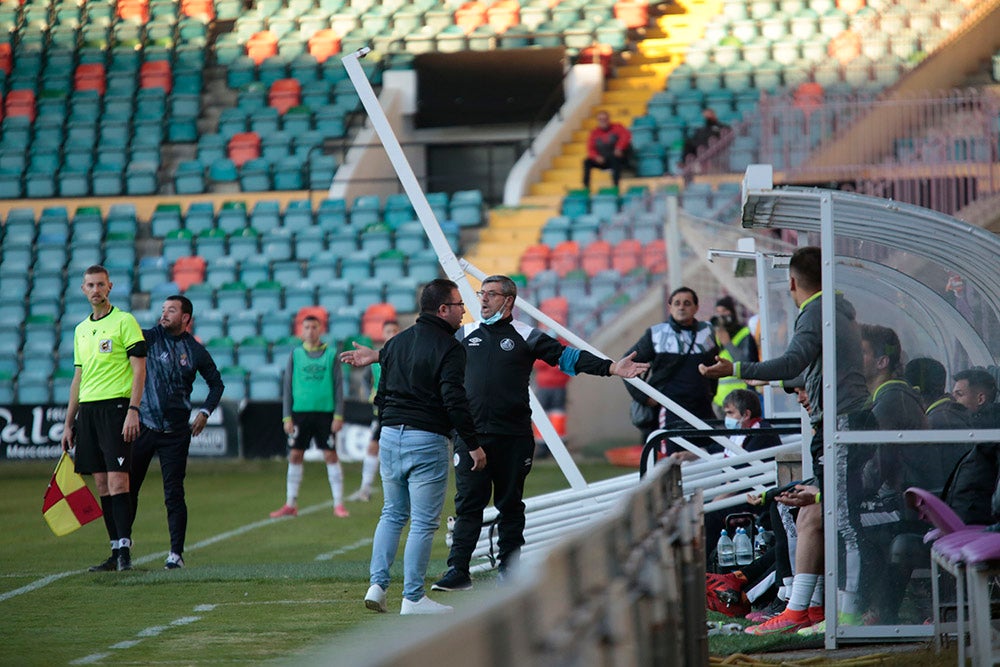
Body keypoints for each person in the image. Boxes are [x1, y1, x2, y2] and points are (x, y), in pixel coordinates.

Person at [344, 275, 648, 592]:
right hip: (471, 437)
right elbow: (422, 348)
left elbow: (567, 357)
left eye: (491, 294)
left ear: (509, 300)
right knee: (468, 505)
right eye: (480, 293)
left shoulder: (527, 335)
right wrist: (377, 355)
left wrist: (612, 367)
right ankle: (458, 572)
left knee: (510, 505)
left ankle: (509, 570)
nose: (483, 299)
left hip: (514, 435)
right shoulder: (464, 333)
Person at [700, 246, 870, 634]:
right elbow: (807, 371)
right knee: (813, 512)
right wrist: (773, 378)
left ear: (792, 282)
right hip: (838, 426)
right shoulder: (838, 311)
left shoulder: (815, 312)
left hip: (841, 425)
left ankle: (851, 612)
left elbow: (794, 360)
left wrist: (737, 367)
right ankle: (805, 609)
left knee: (841, 518)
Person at [343, 279, 485, 615]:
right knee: (422, 522)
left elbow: (382, 395)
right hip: (427, 439)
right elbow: (454, 398)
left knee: (391, 514)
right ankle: (413, 598)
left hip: (391, 436)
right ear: (442, 309)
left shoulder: (396, 342)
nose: (464, 311)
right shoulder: (451, 348)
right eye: (458, 305)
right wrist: (473, 445)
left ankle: (377, 585)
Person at [60, 265, 147, 572]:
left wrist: (133, 410)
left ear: (110, 287)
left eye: (100, 284)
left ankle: (125, 551)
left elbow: (139, 369)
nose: (95, 290)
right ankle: (114, 551)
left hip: (117, 409)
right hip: (89, 413)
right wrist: (69, 422)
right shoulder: (80, 330)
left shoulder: (124, 321)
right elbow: (78, 378)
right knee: (102, 485)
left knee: (118, 480)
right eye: (90, 285)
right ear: (83, 290)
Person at [130, 295, 225, 570]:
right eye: (163, 309)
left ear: (186, 318)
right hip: (144, 426)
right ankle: (122, 545)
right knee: (128, 488)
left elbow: (216, 384)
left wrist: (205, 413)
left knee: (174, 493)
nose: (164, 314)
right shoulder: (148, 338)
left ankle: (176, 554)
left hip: (176, 433)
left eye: (171, 310)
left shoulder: (194, 350)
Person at [269, 315, 350, 519]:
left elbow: (339, 386)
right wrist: (287, 417)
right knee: (295, 455)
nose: (310, 330)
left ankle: (338, 504)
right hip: (300, 413)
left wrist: (339, 415)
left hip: (325, 413)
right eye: (307, 327)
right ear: (301, 331)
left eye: (314, 327)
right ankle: (290, 504)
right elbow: (287, 387)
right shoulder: (295, 355)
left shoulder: (331, 354)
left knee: (330, 455)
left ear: (320, 329)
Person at [625, 286, 720, 453]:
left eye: (687, 303)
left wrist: (711, 392)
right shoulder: (656, 334)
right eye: (677, 303)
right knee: (673, 460)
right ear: (670, 307)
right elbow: (626, 365)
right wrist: (645, 397)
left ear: (696, 308)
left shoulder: (708, 332)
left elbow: (714, 367)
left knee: (708, 456)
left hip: (703, 408)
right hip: (670, 411)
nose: (681, 307)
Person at [349, 319, 399, 503]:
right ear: (384, 334)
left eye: (394, 330)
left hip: (399, 408)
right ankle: (365, 488)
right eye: (388, 331)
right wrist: (370, 393)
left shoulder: (403, 355)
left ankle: (376, 489)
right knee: (374, 446)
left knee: (390, 448)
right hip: (381, 409)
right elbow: (366, 379)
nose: (391, 334)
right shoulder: (376, 358)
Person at [941, 368, 1000, 525]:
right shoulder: (973, 432)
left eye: (959, 395)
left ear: (980, 399)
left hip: (972, 524)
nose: (952, 401)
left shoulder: (984, 435)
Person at [711, 296, 759, 418]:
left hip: (741, 398)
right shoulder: (717, 336)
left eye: (725, 312)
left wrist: (727, 343)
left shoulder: (744, 334)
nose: (721, 316)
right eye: (718, 313)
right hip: (720, 400)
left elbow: (746, 363)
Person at [582, 110, 632, 191]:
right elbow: (590, 149)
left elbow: (626, 136)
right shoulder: (594, 133)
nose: (603, 121)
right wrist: (596, 157)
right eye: (600, 120)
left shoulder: (617, 127)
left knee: (615, 158)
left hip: (618, 157)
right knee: (587, 162)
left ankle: (615, 187)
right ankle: (586, 188)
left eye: (605, 119)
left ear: (608, 119)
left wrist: (619, 147)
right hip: (603, 160)